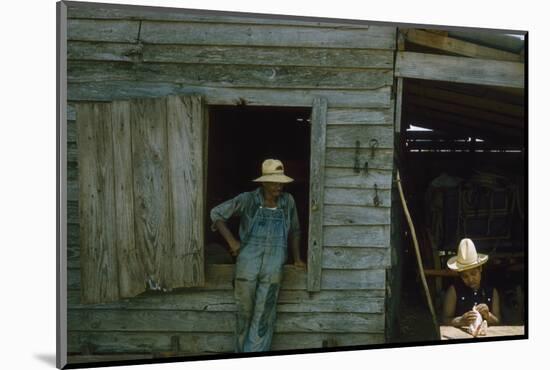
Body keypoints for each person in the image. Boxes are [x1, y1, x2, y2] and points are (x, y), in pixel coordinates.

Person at [210, 159, 306, 353]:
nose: (279, 185)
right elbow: (217, 214)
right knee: (244, 313)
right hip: (247, 266)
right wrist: (232, 242)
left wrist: (297, 258)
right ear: (263, 182)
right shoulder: (248, 200)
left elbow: (295, 230)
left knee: (264, 316)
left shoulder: (288, 202)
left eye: (281, 182)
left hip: (273, 268)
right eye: (274, 182)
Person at [442, 238, 500, 328]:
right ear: (460, 276)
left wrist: (488, 315)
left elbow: (498, 321)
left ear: (480, 269)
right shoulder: (454, 291)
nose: (470, 279)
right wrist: (460, 320)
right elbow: (445, 320)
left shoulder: (491, 291)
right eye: (465, 276)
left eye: (473, 274)